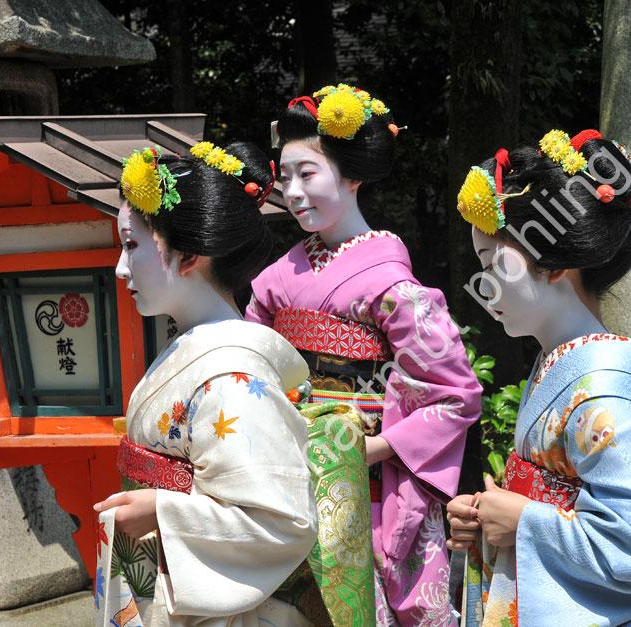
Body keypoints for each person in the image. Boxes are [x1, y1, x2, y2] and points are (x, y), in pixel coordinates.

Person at [247, 83, 482, 625]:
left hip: (367, 473)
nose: (293, 191)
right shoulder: (277, 278)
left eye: (308, 174)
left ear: (352, 175)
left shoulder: (390, 283)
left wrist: (370, 449)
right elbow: (252, 355)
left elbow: (455, 392)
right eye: (284, 178)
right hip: (289, 460)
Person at [447, 129, 631, 626]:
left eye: (497, 264)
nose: (485, 285)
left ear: (554, 265)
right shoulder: (558, 365)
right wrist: (488, 517)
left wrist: (523, 522)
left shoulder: (605, 389)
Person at [93, 142, 317, 626]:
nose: (120, 267)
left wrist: (163, 510)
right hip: (168, 582)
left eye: (132, 245)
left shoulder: (232, 373)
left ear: (190, 254)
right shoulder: (194, 350)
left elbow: (280, 521)